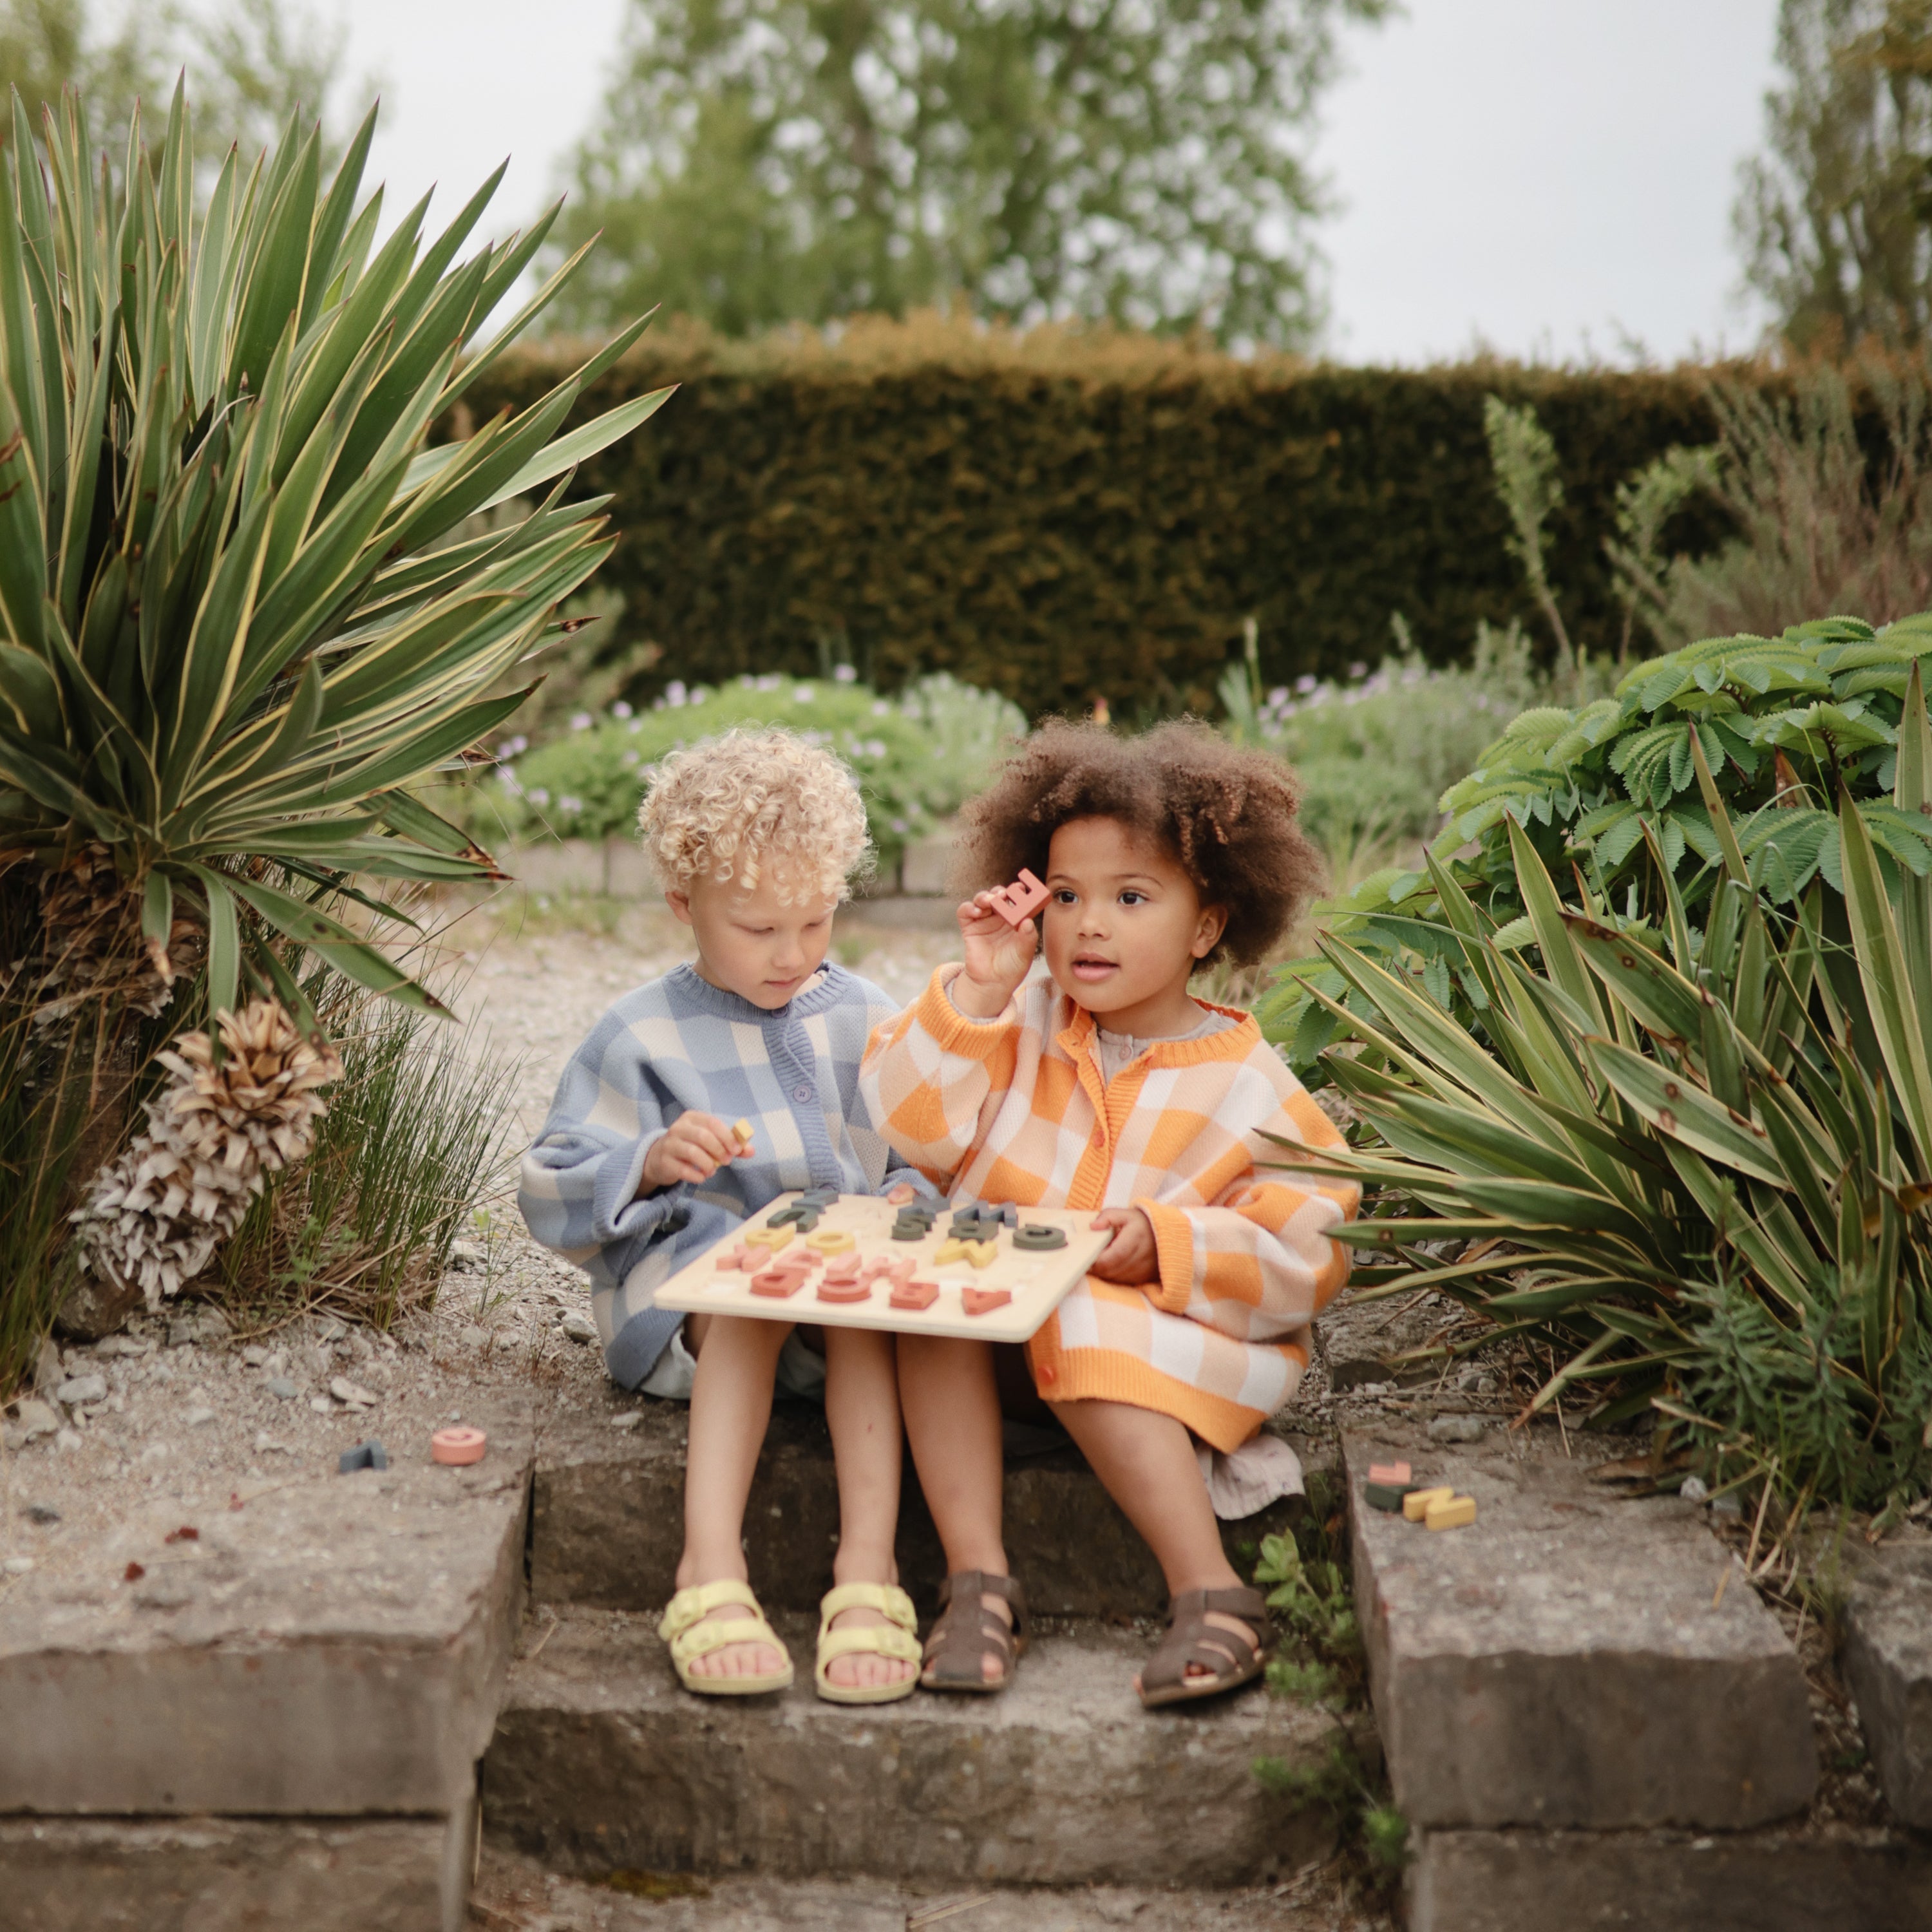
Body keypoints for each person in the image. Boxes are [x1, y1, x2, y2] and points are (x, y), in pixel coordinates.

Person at [860, 719, 1358, 1708]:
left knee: (1077, 1303)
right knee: (942, 1285)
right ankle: (978, 1582)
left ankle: (1211, 1588)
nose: (1091, 925)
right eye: (1068, 897)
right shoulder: (1017, 1022)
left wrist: (1170, 1244)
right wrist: (977, 992)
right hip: (1001, 1358)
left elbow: (1309, 1248)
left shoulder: (1251, 1086)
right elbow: (910, 1120)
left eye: (1133, 899)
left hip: (1156, 1355)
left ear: (1207, 928)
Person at [520, 728, 930, 1705]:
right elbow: (550, 1185)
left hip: (839, 1305)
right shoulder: (639, 1033)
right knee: (750, 1292)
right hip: (703, 1313)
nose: (792, 955)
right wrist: (651, 1161)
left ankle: (867, 1574)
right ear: (682, 906)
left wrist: (913, 1188)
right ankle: (709, 1567)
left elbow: (924, 1134)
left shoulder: (863, 1010)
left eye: (816, 923)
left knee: (863, 1315)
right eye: (757, 930)